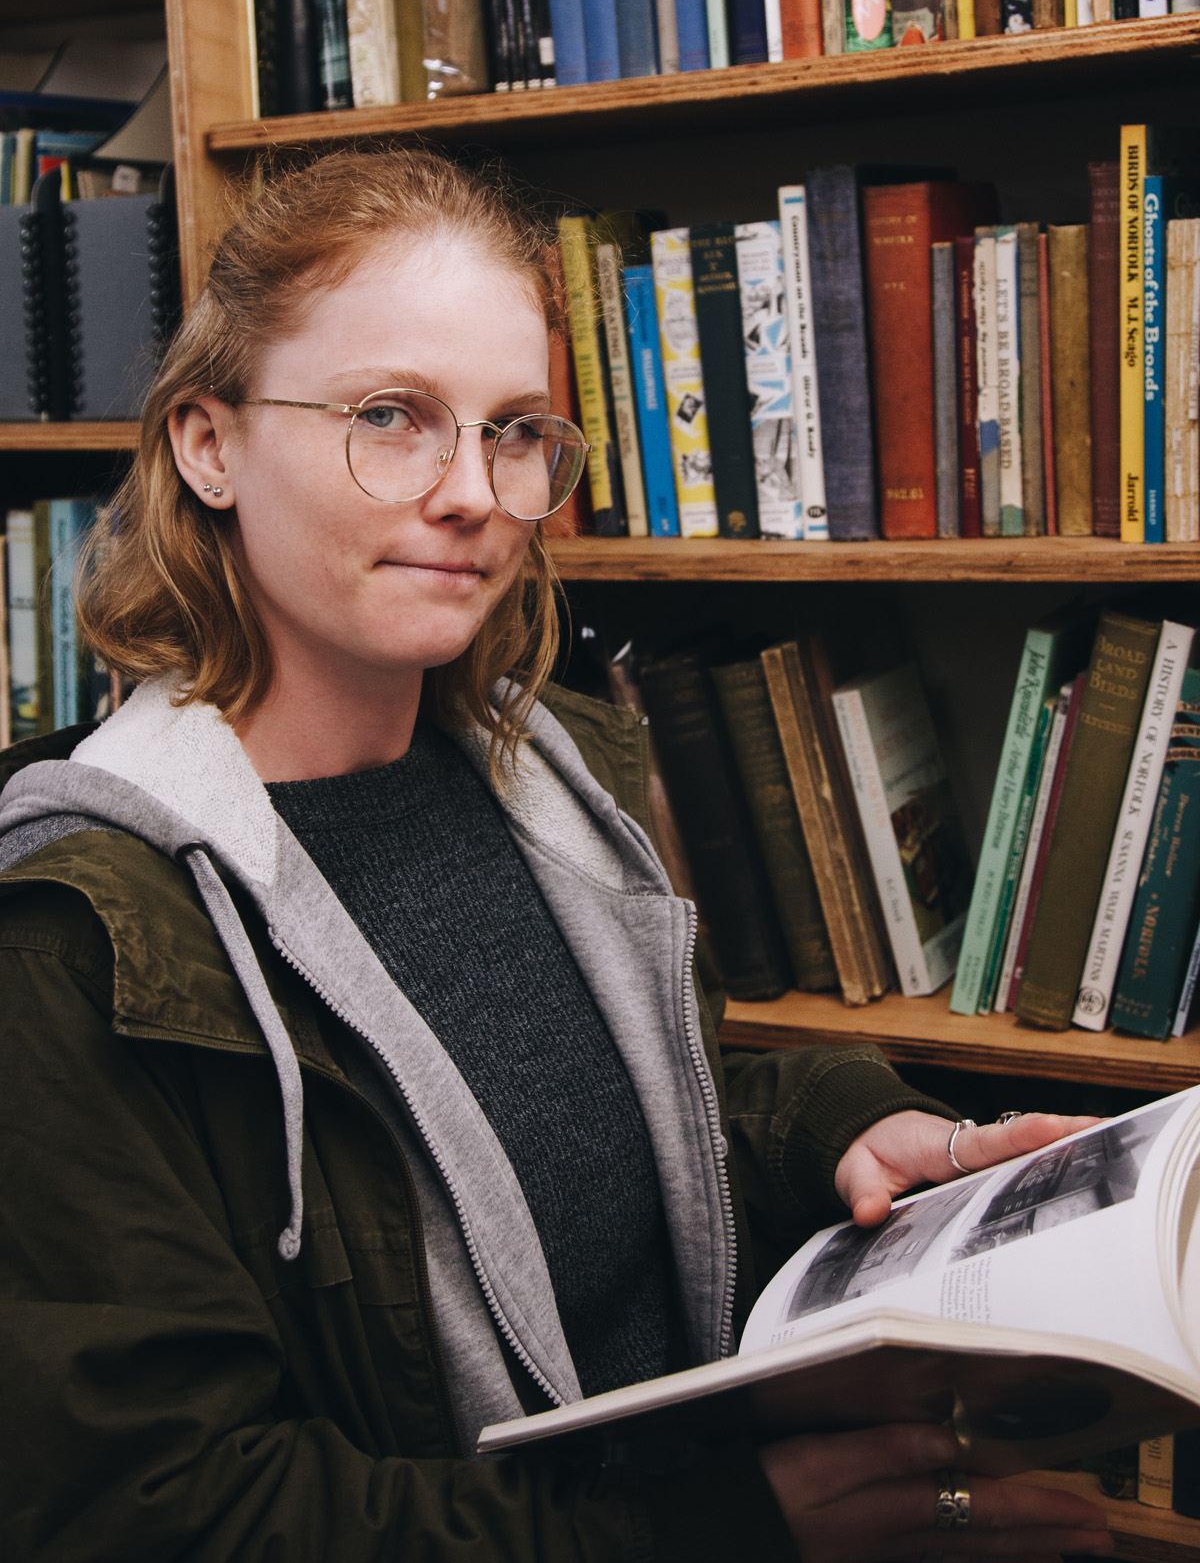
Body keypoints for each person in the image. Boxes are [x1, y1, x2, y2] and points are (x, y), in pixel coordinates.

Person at [0, 148, 1113, 1563]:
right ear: (207, 443)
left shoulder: (559, 776)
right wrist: (729, 1530)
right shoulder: (77, 940)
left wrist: (840, 1117)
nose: (471, 491)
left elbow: (613, 1140)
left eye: (514, 429)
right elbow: (161, 1516)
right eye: (392, 416)